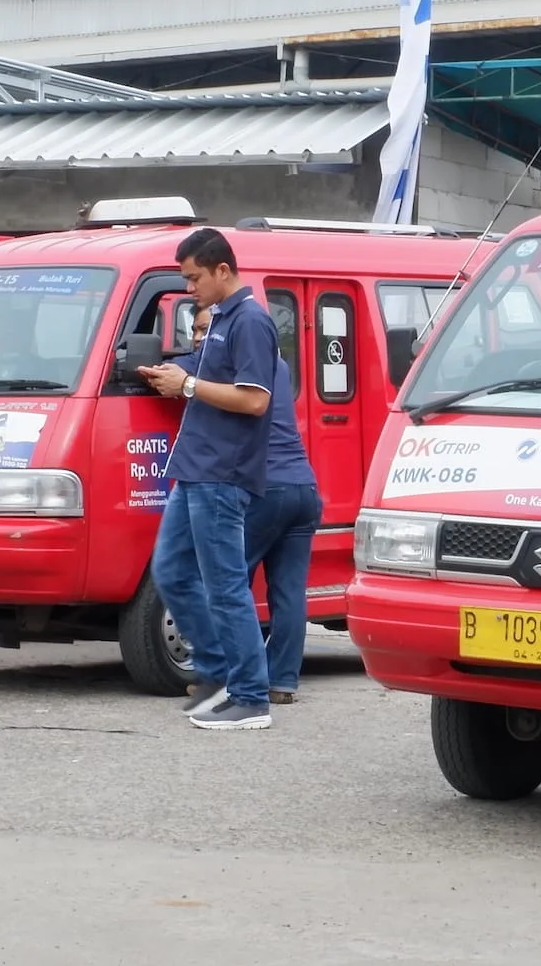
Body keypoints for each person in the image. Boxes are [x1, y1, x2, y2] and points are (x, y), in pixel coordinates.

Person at [139, 228, 279, 729]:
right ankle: (220, 674)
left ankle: (250, 698)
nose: (189, 288)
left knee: (225, 586)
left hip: (223, 473)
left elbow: (256, 399)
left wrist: (190, 385)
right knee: (172, 571)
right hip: (194, 469)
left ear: (223, 270)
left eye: (194, 278)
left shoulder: (251, 321)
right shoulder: (220, 317)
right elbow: (203, 382)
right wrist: (169, 376)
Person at [172, 302, 323, 704]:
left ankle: (234, 678)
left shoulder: (224, 368)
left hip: (263, 486)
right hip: (303, 487)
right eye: (197, 332)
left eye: (206, 330)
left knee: (226, 585)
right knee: (289, 592)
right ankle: (282, 681)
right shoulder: (276, 364)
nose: (202, 339)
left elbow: (192, 382)